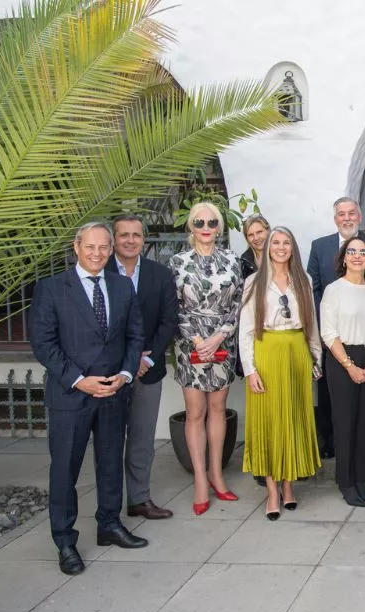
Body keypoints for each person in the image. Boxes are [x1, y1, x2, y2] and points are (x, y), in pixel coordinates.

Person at [31, 222, 147, 575]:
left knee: (110, 463)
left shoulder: (122, 286)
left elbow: (134, 336)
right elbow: (44, 344)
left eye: (103, 247)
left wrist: (125, 375)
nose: (97, 253)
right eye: (90, 247)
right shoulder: (52, 288)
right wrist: (80, 381)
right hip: (72, 396)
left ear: (111, 250)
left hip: (113, 392)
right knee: (65, 469)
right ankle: (65, 541)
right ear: (76, 247)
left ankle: (109, 524)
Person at [239, 227, 322, 520]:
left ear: (293, 248)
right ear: (267, 247)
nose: (281, 247)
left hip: (296, 352)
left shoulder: (304, 279)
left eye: (287, 242)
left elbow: (311, 323)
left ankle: (289, 486)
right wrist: (250, 370)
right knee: (270, 420)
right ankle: (272, 491)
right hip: (267, 353)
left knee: (293, 418)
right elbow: (246, 330)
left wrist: (316, 358)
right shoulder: (254, 282)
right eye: (276, 242)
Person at [168, 202, 243, 515]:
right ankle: (200, 478)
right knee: (195, 411)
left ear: (219, 226)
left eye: (212, 222)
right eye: (199, 222)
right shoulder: (177, 262)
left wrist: (218, 337)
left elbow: (238, 303)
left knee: (218, 408)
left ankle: (216, 474)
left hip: (222, 341)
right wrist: (199, 340)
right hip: (190, 345)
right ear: (191, 226)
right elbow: (173, 306)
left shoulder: (232, 260)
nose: (206, 228)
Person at [308, 198, 365, 460]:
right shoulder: (319, 246)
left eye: (351, 213)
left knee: (361, 415)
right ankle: (330, 444)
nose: (347, 218)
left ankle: (357, 465)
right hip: (333, 338)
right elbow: (314, 289)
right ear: (335, 219)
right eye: (341, 214)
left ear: (359, 216)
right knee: (332, 401)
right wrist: (326, 330)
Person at [108, 215, 178, 520]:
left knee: (142, 439)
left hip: (147, 370)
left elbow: (168, 321)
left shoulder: (159, 274)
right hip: (108, 372)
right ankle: (109, 505)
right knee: (109, 440)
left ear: (143, 239)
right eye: (124, 234)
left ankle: (138, 498)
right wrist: (125, 360)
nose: (130, 240)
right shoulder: (100, 272)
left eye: (136, 235)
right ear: (114, 239)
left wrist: (145, 359)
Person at [320, 236, 365, 506]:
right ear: (344, 258)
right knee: (345, 423)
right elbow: (329, 333)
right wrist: (350, 366)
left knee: (364, 423)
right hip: (342, 361)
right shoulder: (333, 290)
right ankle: (346, 483)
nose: (357, 256)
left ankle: (361, 480)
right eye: (352, 251)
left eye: (363, 252)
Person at [239, 213, 271, 278]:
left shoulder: (282, 256)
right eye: (251, 235)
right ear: (247, 238)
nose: (256, 238)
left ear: (268, 231)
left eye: (259, 232)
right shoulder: (244, 263)